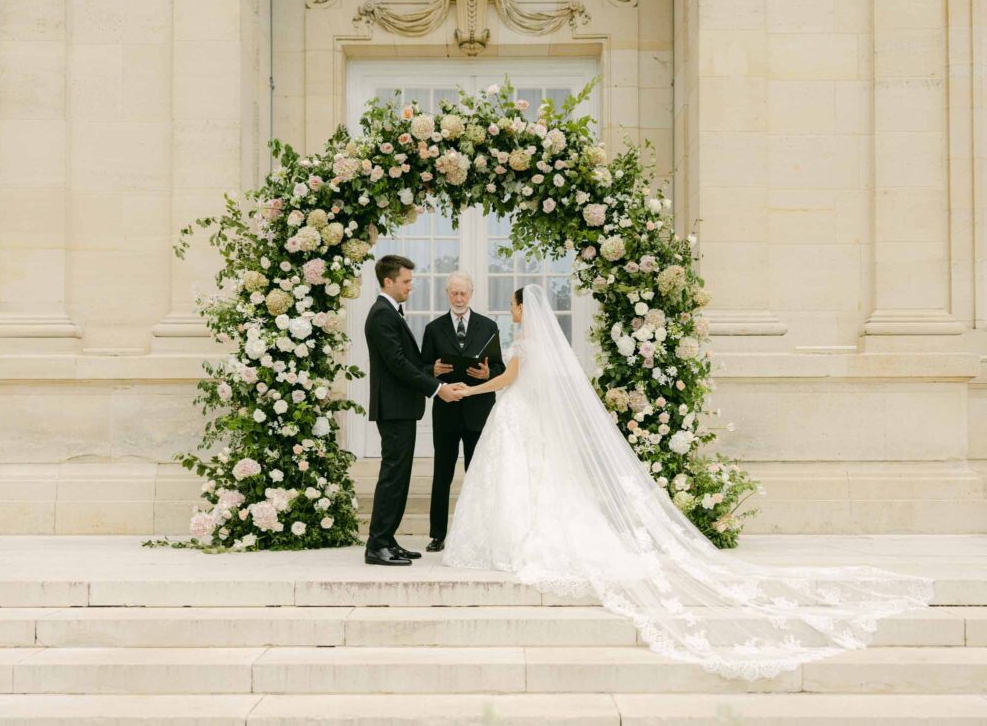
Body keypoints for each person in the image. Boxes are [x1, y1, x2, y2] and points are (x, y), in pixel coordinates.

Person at [444, 284, 933, 680]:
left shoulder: (526, 342)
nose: (508, 311)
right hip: (526, 421)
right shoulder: (537, 344)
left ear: (522, 309)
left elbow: (510, 380)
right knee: (539, 482)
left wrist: (471, 387)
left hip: (517, 418)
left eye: (511, 305)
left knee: (526, 482)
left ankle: (518, 539)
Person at [363, 255, 465, 566]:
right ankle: (377, 545)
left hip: (400, 408)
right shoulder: (382, 314)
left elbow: (404, 360)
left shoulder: (390, 312)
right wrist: (437, 388)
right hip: (393, 409)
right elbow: (396, 364)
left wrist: (430, 371)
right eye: (406, 281)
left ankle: (388, 540)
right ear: (388, 282)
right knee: (393, 476)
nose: (411, 286)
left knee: (399, 475)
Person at [420, 272, 505, 552]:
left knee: (477, 473)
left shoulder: (488, 325)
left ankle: (479, 534)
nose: (458, 298)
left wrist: (486, 372)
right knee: (442, 473)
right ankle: (438, 535)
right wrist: (432, 371)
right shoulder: (433, 328)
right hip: (446, 410)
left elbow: (501, 368)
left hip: (479, 412)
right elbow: (420, 369)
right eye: (454, 293)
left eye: (463, 294)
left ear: (471, 294)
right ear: (447, 294)